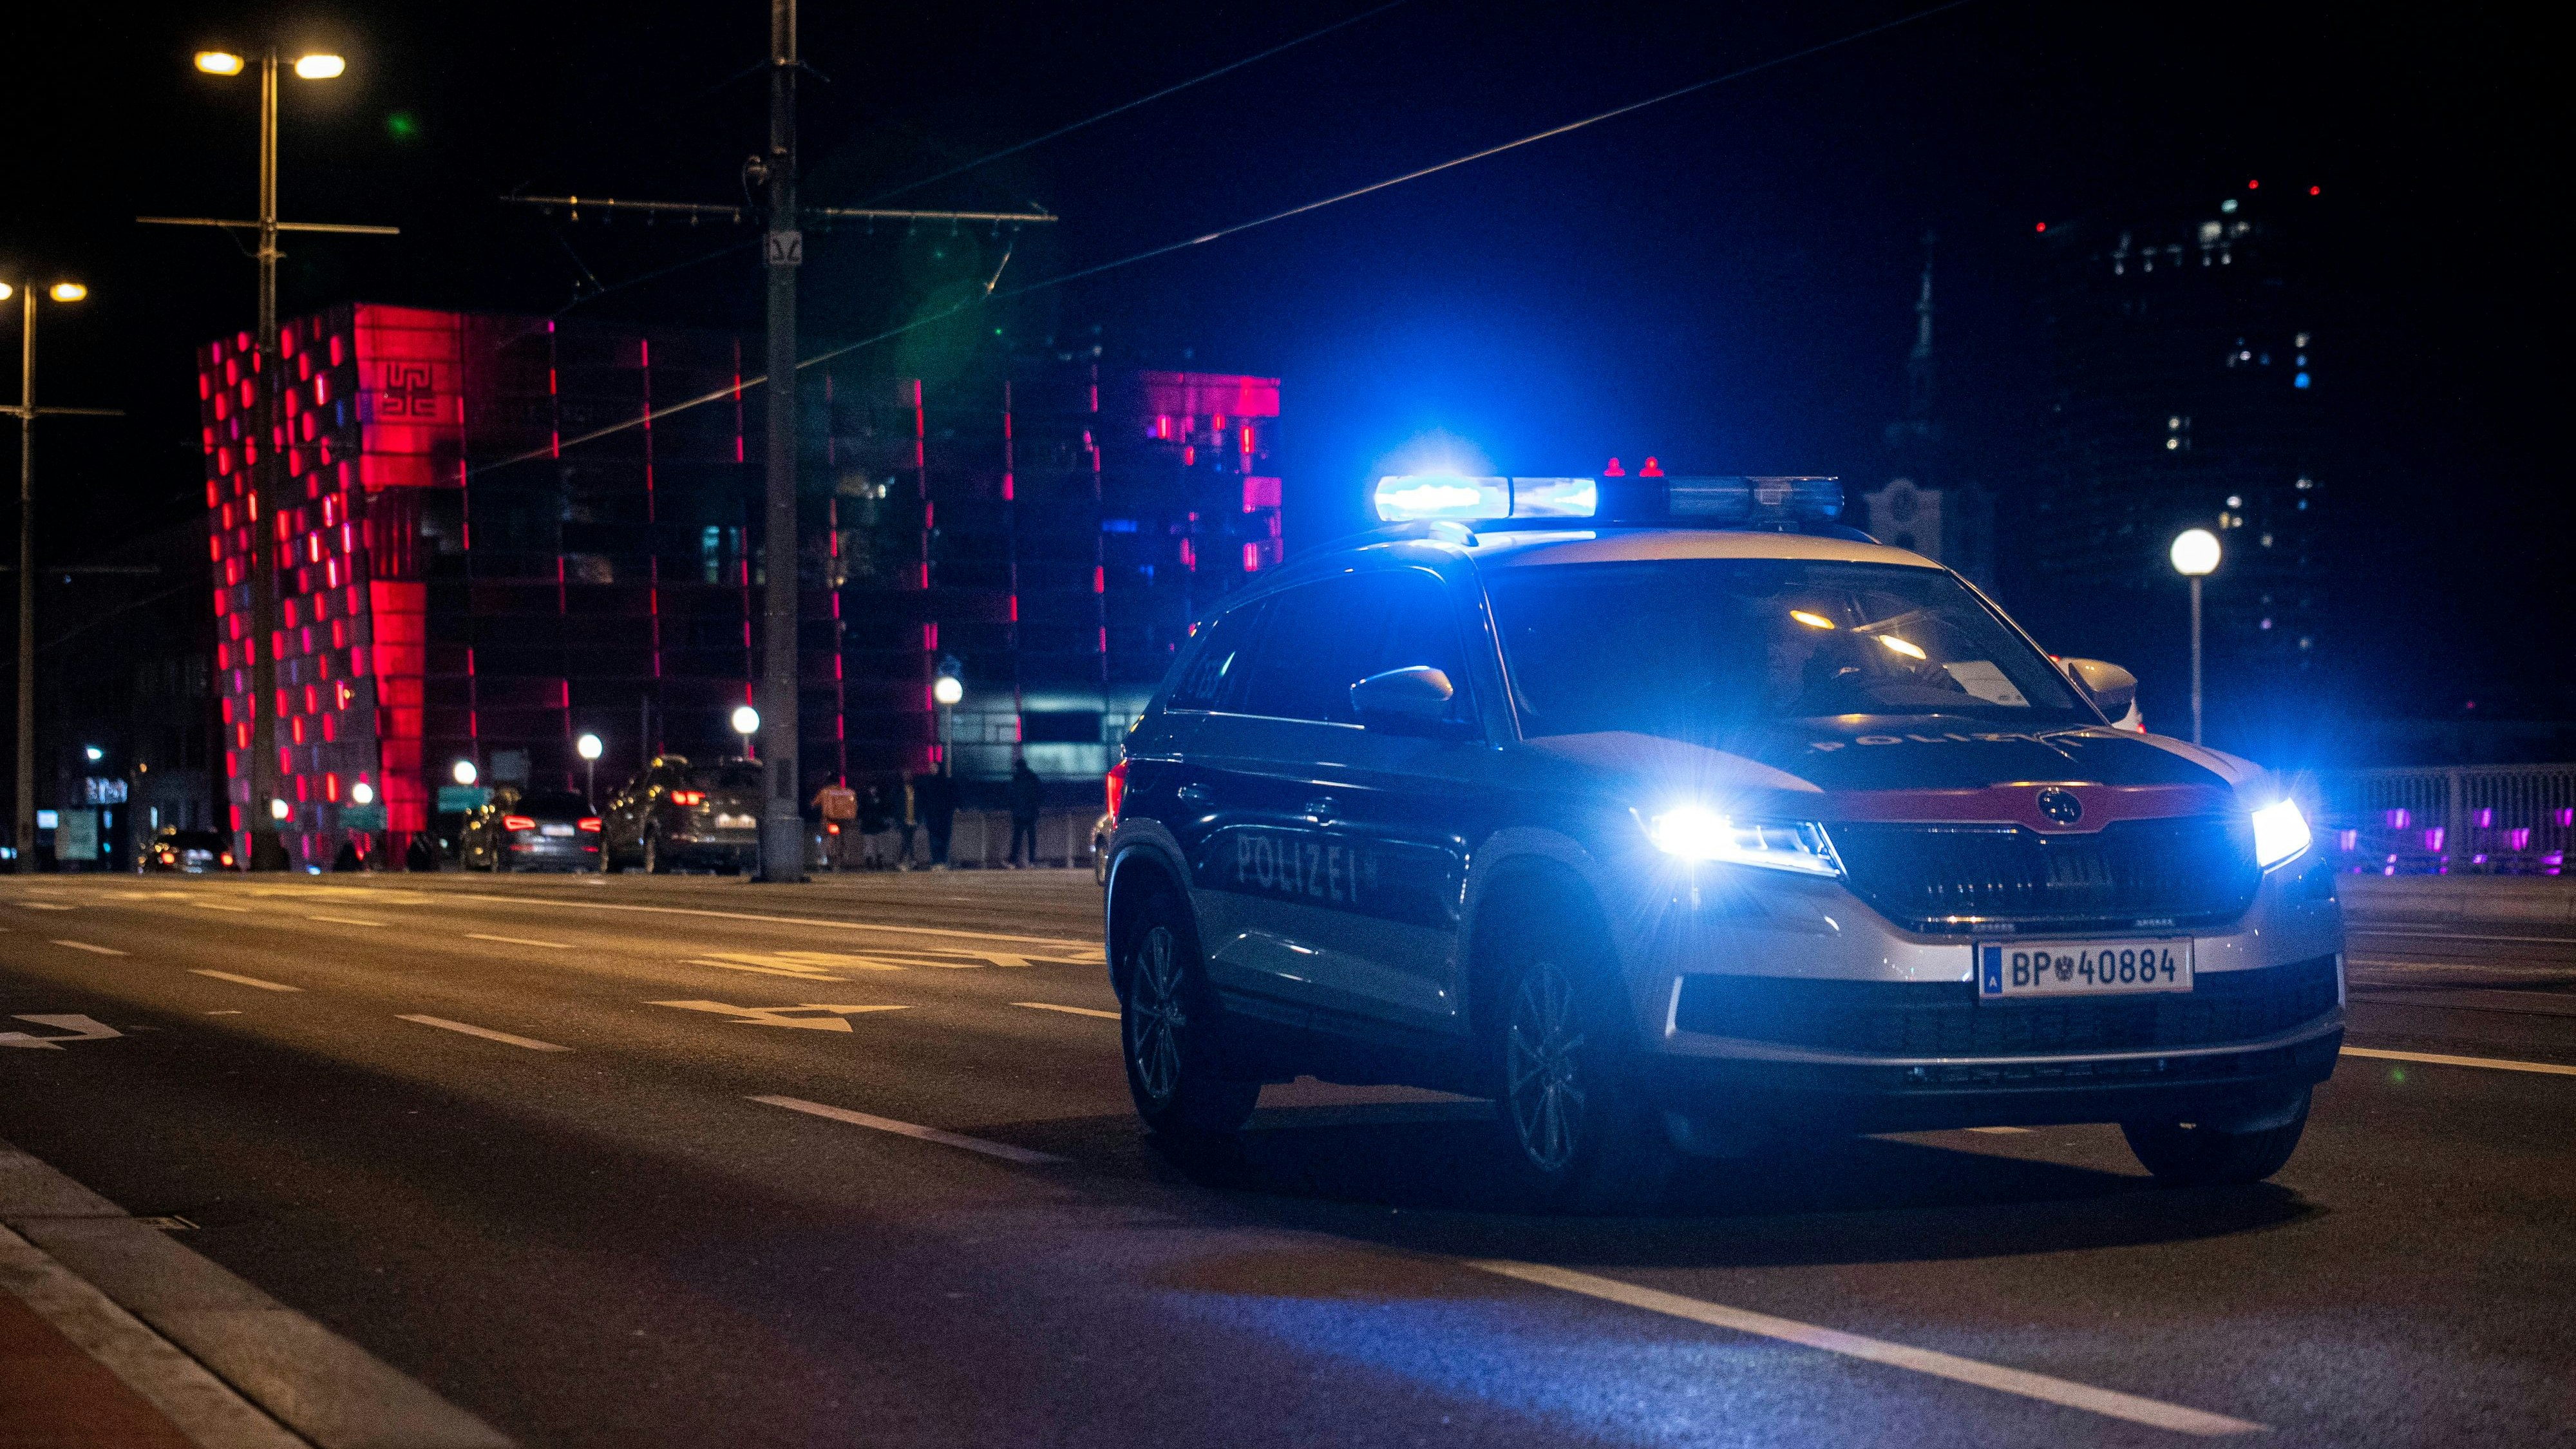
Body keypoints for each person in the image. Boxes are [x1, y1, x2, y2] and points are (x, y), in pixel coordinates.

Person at [1006, 750, 1043, 868]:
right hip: (1031, 812)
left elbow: (1011, 796)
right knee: (1032, 838)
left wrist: (1012, 807)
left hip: (1019, 813)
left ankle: (1013, 861)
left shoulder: (1016, 779)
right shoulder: (1033, 778)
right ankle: (1032, 861)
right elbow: (1039, 794)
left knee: (1017, 838)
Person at [916, 765, 957, 869]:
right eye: (931, 768)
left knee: (944, 839)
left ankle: (943, 861)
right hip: (932, 817)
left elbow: (952, 799)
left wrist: (949, 812)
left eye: (935, 767)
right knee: (934, 840)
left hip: (945, 817)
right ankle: (936, 862)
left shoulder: (947, 782)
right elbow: (923, 800)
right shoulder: (927, 783)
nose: (932, 769)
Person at [893, 772, 920, 869]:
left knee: (908, 841)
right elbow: (897, 807)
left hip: (913, 820)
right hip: (904, 821)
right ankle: (910, 861)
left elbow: (918, 806)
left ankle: (905, 861)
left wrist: (918, 818)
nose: (907, 778)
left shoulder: (915, 791)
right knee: (907, 840)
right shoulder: (899, 791)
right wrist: (899, 820)